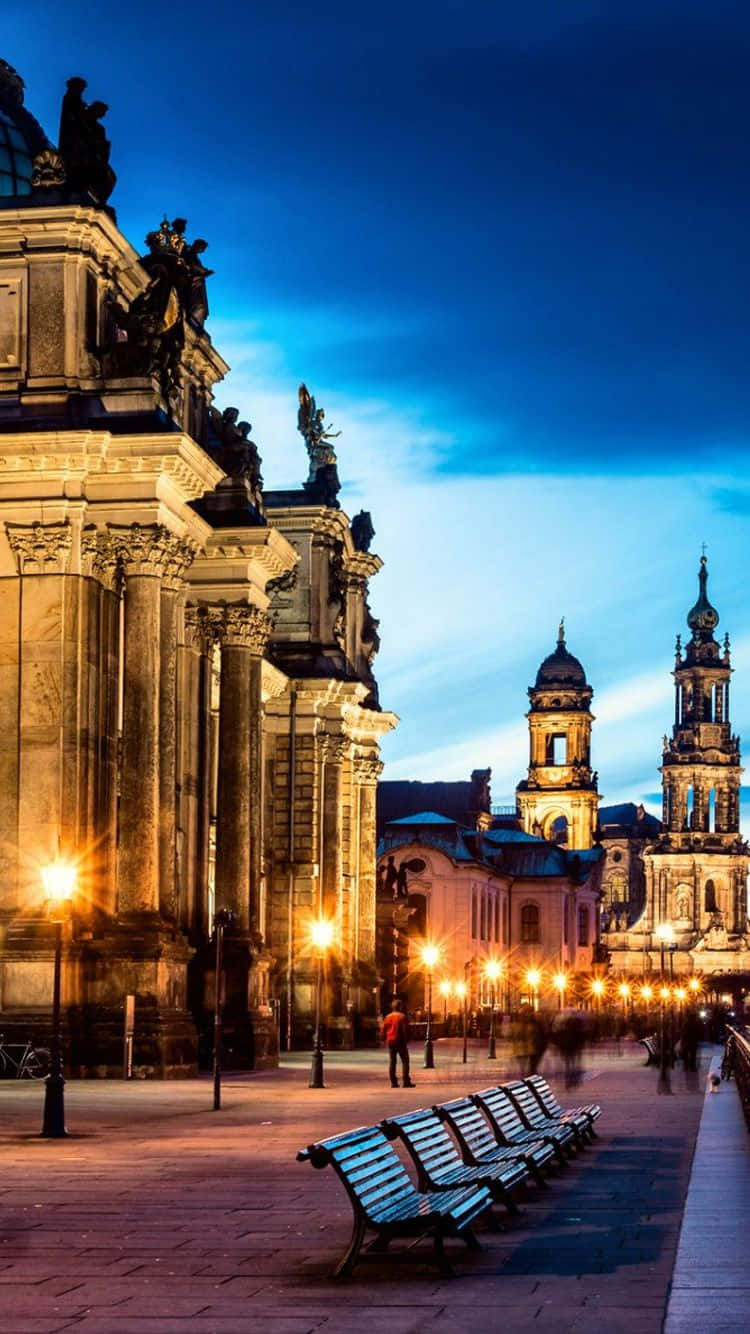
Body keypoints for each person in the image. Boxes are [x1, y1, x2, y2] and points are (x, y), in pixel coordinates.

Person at [382, 998, 415, 1088]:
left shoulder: (387, 1017)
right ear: (400, 1007)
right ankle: (406, 1081)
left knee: (392, 1062)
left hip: (390, 1041)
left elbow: (383, 1029)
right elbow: (405, 1030)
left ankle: (393, 1082)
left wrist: (384, 1038)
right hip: (400, 1041)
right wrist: (407, 1040)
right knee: (405, 1061)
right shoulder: (402, 1017)